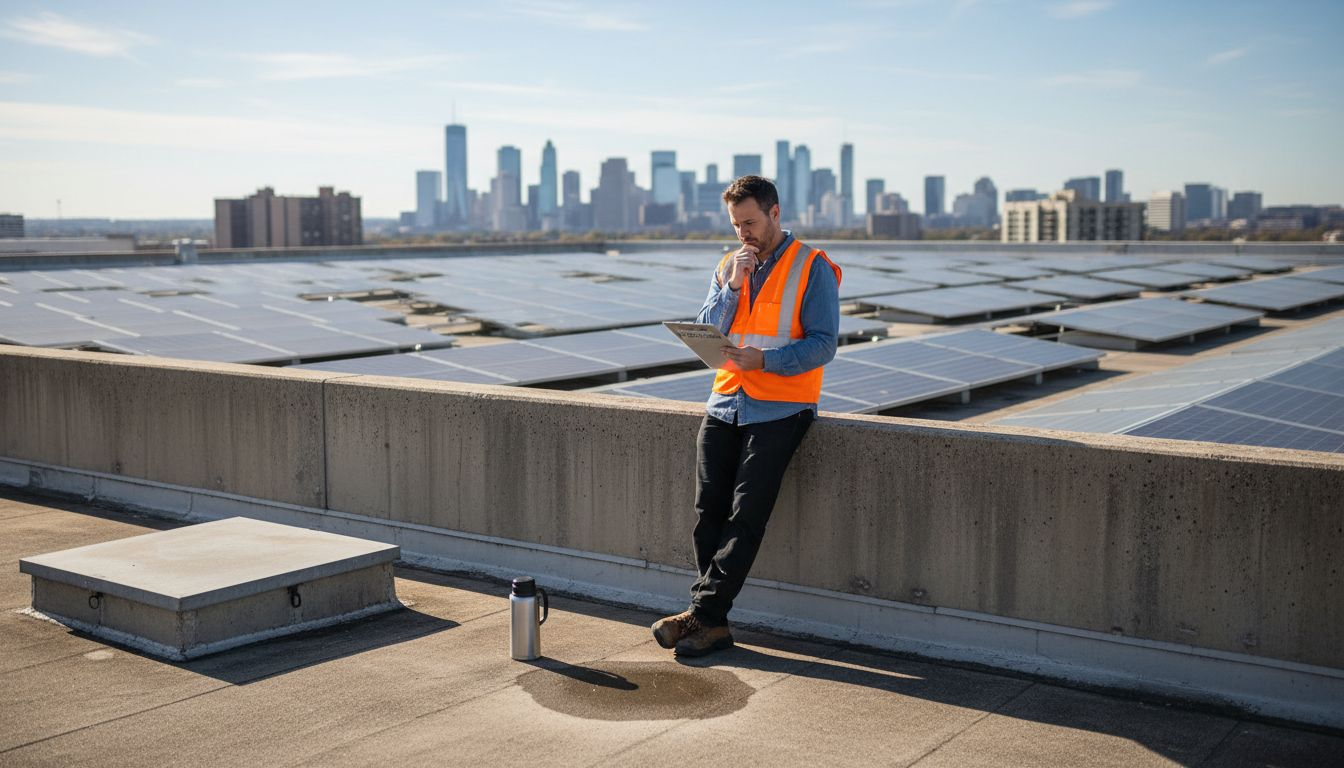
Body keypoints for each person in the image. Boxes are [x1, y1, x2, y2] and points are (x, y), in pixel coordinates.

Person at [652, 175, 841, 657]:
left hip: (781, 406)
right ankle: (709, 621)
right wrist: (731, 287)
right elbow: (708, 329)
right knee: (706, 513)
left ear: (775, 214)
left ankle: (703, 617)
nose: (744, 234)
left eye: (751, 223)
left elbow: (823, 344)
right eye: (737, 225)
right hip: (724, 401)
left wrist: (767, 361)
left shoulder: (812, 267)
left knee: (745, 516)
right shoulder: (727, 266)